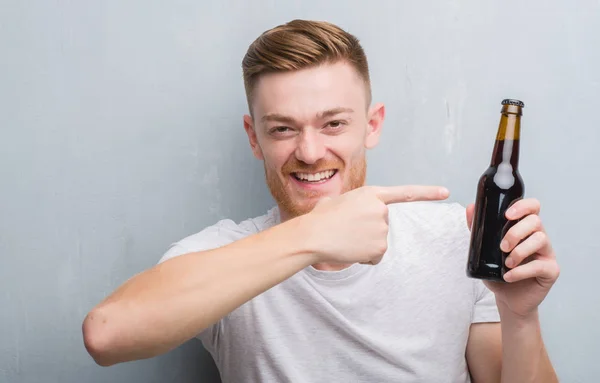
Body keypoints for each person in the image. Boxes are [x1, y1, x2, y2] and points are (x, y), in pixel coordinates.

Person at [82, 19, 561, 382]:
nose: (310, 153)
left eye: (333, 124)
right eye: (283, 129)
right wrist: (314, 235)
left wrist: (520, 318)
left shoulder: (453, 236)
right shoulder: (223, 255)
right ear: (254, 138)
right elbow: (106, 335)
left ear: (371, 125)